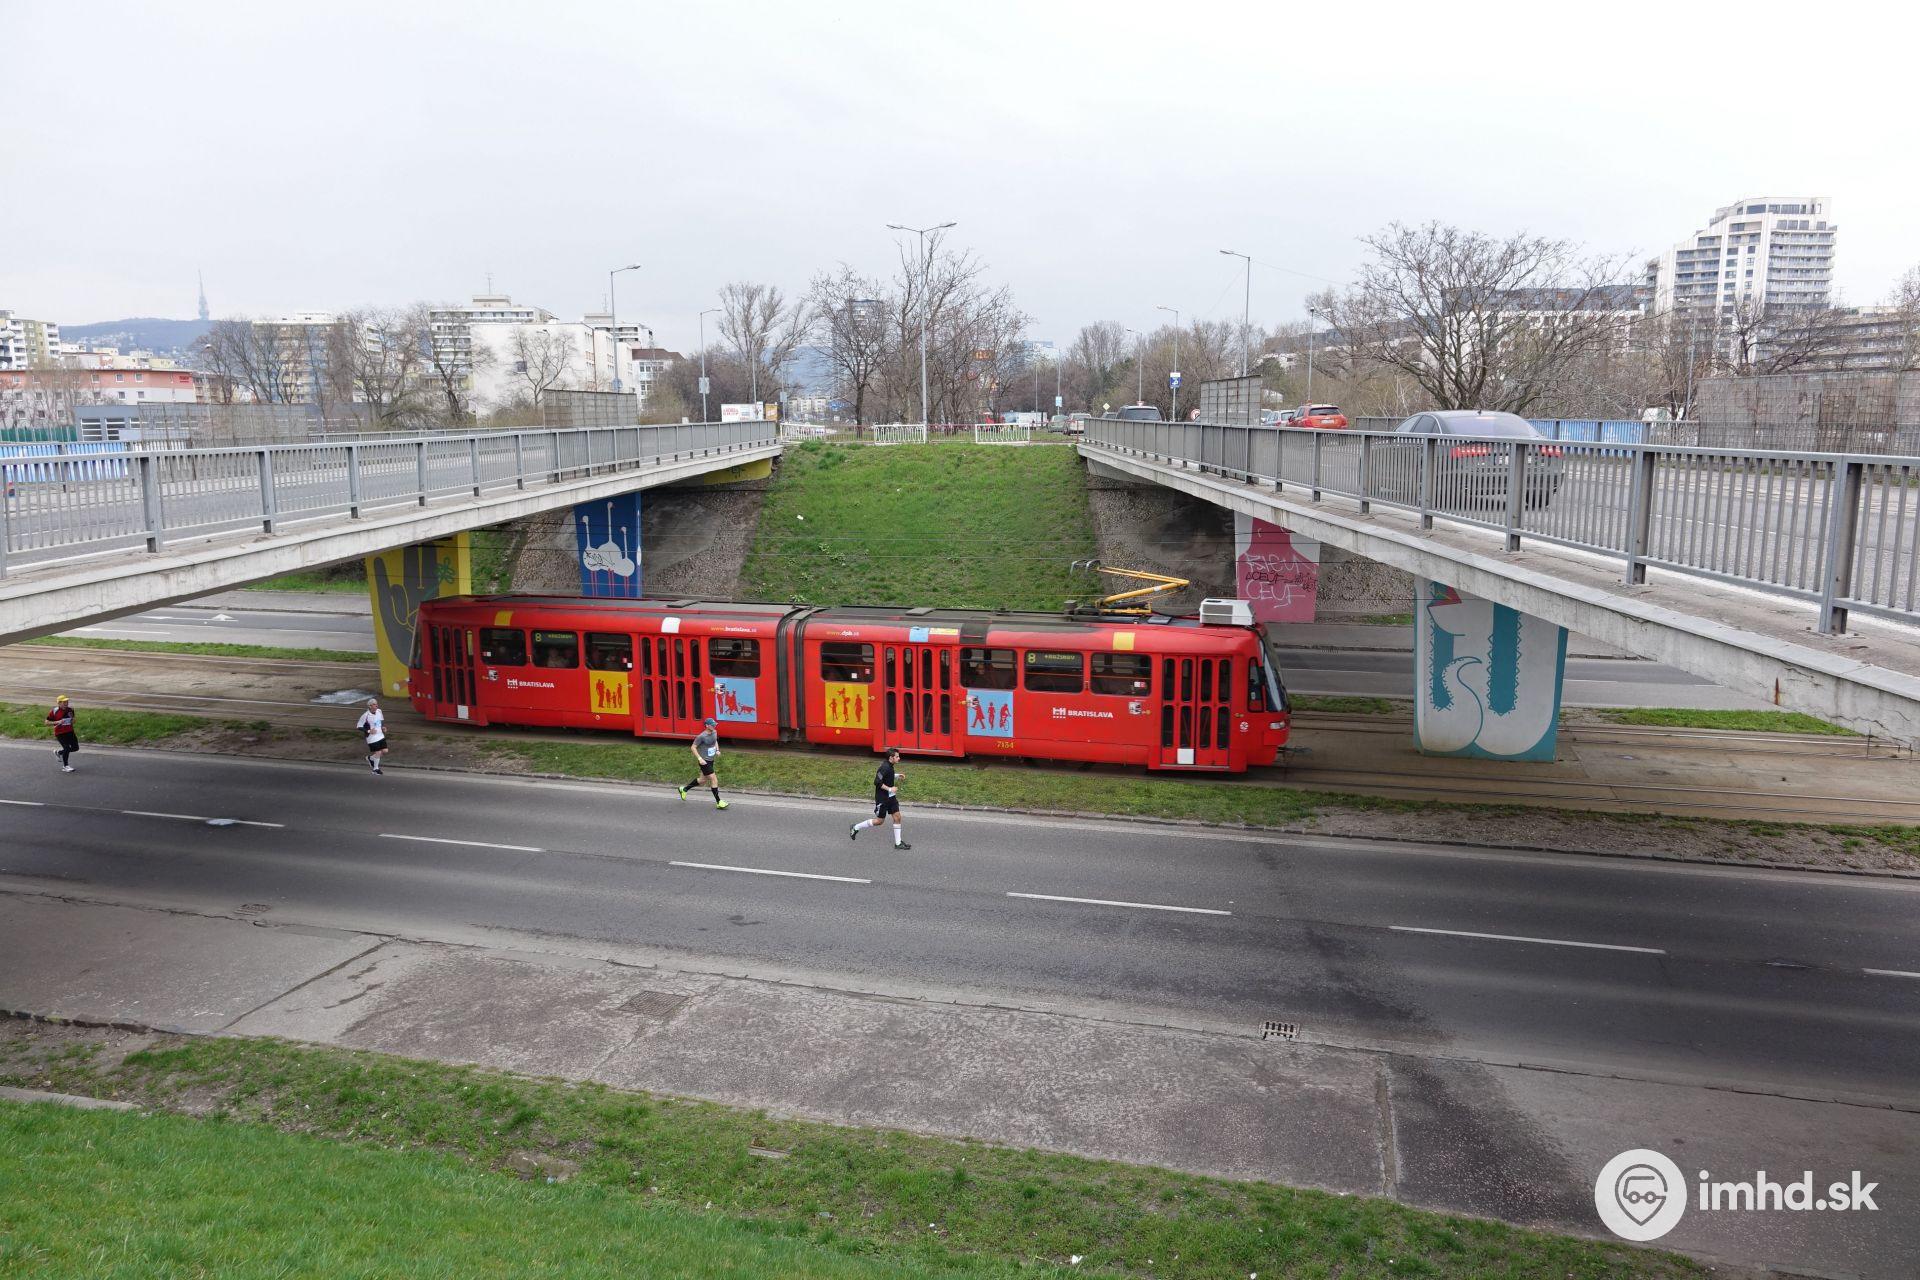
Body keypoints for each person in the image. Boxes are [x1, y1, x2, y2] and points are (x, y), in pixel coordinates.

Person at [849, 746, 909, 850]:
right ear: (891, 757)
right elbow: (877, 782)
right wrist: (890, 789)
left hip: (891, 798)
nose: (899, 758)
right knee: (879, 821)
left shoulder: (890, 766)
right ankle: (855, 827)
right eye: (897, 757)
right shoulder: (884, 767)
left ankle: (898, 843)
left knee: (897, 817)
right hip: (883, 798)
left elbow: (888, 776)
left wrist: (897, 775)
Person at [678, 717, 728, 809]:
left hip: (711, 760)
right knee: (714, 779)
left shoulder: (714, 732)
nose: (714, 726)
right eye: (712, 725)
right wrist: (700, 758)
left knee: (702, 780)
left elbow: (715, 741)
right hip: (704, 762)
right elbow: (693, 747)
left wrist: (717, 750)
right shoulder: (701, 736)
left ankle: (684, 789)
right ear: (707, 726)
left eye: (715, 724)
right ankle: (719, 802)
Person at [356, 698, 389, 775]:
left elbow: (380, 722)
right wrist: (369, 731)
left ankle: (370, 758)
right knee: (378, 752)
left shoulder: (379, 711)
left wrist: (383, 727)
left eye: (376, 703)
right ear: (370, 706)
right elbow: (358, 726)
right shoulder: (365, 715)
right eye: (374, 704)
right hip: (372, 738)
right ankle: (375, 769)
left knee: (385, 751)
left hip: (380, 735)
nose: (376, 705)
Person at [46, 695, 78, 773]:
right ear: (59, 703)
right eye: (64, 702)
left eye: (67, 702)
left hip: (70, 731)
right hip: (60, 733)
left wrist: (72, 721)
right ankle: (65, 766)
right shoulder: (54, 711)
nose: (66, 703)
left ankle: (59, 752)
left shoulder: (70, 710)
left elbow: (73, 720)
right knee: (66, 748)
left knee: (75, 748)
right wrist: (58, 722)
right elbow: (46, 722)